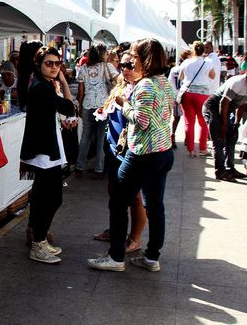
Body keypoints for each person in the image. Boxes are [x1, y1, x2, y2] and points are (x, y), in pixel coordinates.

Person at [87, 38, 175, 273]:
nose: (131, 60)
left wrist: (123, 103)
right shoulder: (164, 82)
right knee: (155, 206)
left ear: (144, 58)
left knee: (118, 202)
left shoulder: (146, 85)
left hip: (143, 154)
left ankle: (116, 258)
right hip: (163, 152)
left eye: (134, 56)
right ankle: (152, 257)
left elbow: (142, 120)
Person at [19, 46, 75, 264]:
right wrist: (63, 82)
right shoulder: (43, 87)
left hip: (45, 148)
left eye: (57, 64)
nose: (54, 67)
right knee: (51, 197)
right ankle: (38, 242)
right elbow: (69, 107)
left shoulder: (41, 84)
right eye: (49, 63)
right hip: (43, 151)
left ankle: (38, 239)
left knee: (43, 196)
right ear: (39, 64)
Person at [92, 51, 148, 254]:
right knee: (115, 193)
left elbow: (142, 119)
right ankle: (117, 229)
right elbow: (112, 109)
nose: (126, 69)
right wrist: (104, 110)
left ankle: (135, 238)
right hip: (114, 146)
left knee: (134, 197)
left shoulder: (143, 89)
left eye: (131, 65)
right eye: (123, 65)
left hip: (131, 150)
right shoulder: (121, 86)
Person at [203, 63, 247, 181]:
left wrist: (236, 124)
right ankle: (220, 171)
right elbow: (223, 103)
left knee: (231, 139)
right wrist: (224, 124)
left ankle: (230, 168)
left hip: (225, 111)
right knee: (219, 141)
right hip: (214, 108)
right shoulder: (237, 83)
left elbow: (242, 106)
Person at [75, 44, 118, 178]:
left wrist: (80, 106)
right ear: (102, 54)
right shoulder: (107, 66)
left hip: (88, 104)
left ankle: (79, 166)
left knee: (86, 137)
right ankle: (99, 169)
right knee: (100, 137)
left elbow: (81, 90)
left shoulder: (83, 68)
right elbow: (119, 82)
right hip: (103, 106)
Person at [179, 42, 217, 158]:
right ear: (203, 51)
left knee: (189, 122)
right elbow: (213, 76)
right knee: (203, 122)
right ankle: (202, 148)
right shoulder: (208, 63)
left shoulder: (186, 62)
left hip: (187, 93)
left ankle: (191, 150)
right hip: (203, 95)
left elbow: (180, 77)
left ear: (193, 50)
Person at [168, 50, 190, 150]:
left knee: (176, 118)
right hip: (186, 94)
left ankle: (172, 136)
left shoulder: (174, 69)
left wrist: (174, 95)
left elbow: (170, 83)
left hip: (176, 95)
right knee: (188, 118)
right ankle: (187, 138)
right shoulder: (189, 68)